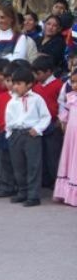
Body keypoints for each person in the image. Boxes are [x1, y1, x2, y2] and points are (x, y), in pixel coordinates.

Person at [5, 67, 51, 207]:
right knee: (18, 166)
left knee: (33, 165)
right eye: (14, 83)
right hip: (16, 134)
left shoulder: (37, 99)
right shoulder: (12, 101)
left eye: (19, 83)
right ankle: (22, 192)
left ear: (29, 84)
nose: (15, 86)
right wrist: (9, 133)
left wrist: (37, 129)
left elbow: (45, 116)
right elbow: (8, 119)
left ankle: (33, 195)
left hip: (31, 135)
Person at [31, 56, 64, 190]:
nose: (36, 76)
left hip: (53, 124)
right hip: (39, 124)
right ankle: (45, 180)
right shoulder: (36, 87)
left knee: (53, 155)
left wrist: (59, 121)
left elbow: (62, 104)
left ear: (49, 71)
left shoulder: (59, 85)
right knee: (41, 154)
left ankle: (55, 181)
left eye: (38, 73)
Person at [0, 60, 16, 198]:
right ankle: (6, 185)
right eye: (7, 80)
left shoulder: (23, 97)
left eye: (12, 80)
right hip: (2, 132)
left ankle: (18, 186)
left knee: (17, 161)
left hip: (16, 133)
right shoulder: (1, 96)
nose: (9, 83)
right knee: (3, 160)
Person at [54, 69, 77, 206]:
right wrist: (63, 122)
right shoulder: (72, 97)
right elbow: (65, 114)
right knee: (70, 160)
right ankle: (67, 193)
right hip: (71, 136)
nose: (74, 85)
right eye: (73, 82)